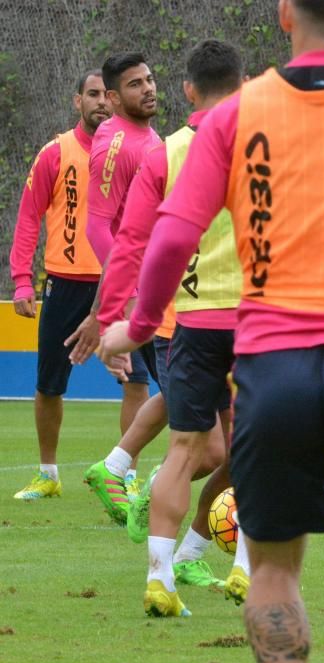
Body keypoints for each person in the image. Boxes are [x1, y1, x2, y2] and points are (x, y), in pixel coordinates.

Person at [97, 1, 324, 663]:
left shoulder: (235, 116)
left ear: (285, 13)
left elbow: (170, 240)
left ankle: (167, 566)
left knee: (272, 573)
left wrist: (138, 326)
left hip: (270, 361)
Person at [96, 39, 250, 612]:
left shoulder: (166, 154)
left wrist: (118, 321)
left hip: (193, 323)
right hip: (261, 323)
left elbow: (134, 242)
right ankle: (245, 569)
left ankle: (160, 576)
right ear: (246, 84)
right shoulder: (267, 144)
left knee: (184, 450)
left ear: (188, 89)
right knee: (253, 451)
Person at [10, 69, 113, 500]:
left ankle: (123, 478)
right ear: (77, 101)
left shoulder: (131, 151)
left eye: (106, 95)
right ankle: (49, 473)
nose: (101, 102)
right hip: (65, 285)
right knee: (50, 383)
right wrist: (21, 281)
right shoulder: (55, 152)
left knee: (138, 380)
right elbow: (29, 215)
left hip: (118, 282)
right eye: (92, 95)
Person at [65, 52, 161, 513]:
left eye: (149, 79)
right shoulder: (116, 144)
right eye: (135, 84)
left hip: (163, 287)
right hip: (149, 297)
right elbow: (99, 228)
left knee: (188, 398)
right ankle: (130, 477)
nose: (147, 88)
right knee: (197, 400)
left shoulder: (146, 134)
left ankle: (124, 472)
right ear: (113, 97)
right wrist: (121, 305)